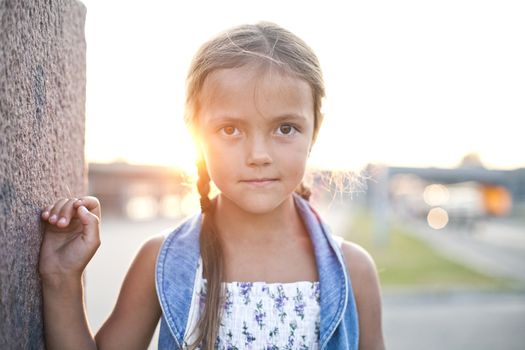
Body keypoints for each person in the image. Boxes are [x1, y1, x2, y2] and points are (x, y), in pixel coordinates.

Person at [39, 22, 385, 349]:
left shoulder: (353, 270)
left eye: (285, 128)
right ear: (195, 134)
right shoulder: (163, 261)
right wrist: (61, 277)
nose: (259, 155)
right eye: (230, 129)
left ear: (315, 130)